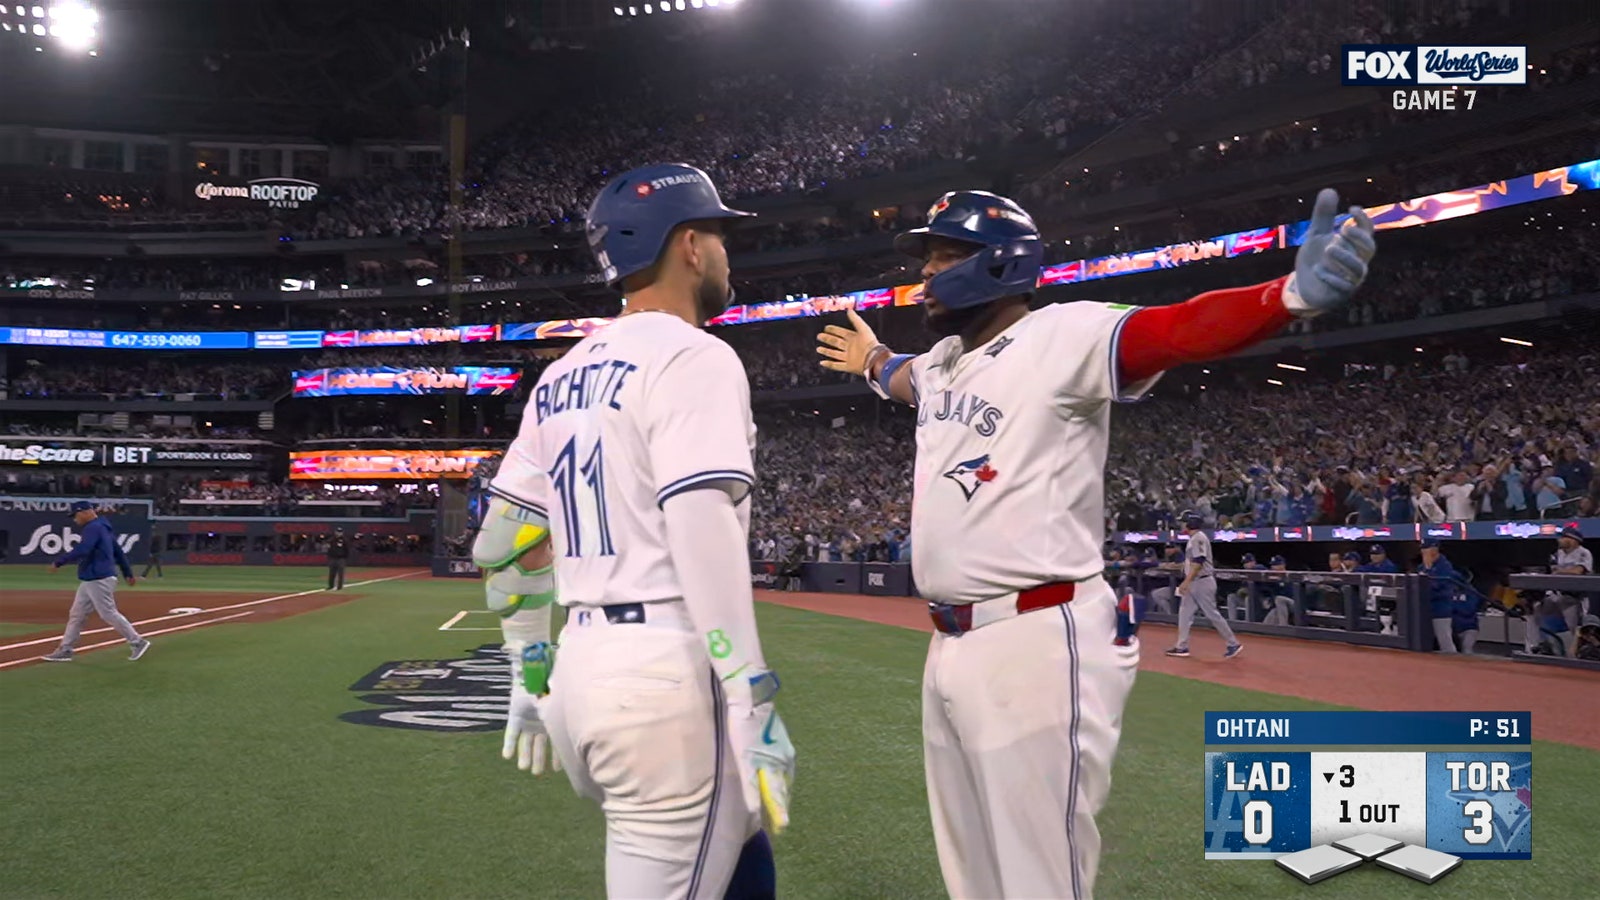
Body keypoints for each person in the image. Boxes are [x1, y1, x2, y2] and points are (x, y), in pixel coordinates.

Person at [816, 186, 1375, 897]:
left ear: (999, 263)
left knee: (1038, 876)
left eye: (945, 254)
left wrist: (1288, 295)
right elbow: (904, 379)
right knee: (976, 875)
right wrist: (872, 360)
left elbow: (1177, 329)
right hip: (951, 643)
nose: (927, 273)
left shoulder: (1062, 335)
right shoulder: (943, 362)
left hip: (1039, 636)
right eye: (927, 258)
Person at [476, 163, 792, 899]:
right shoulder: (695, 354)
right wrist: (753, 696)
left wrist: (527, 677)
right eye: (717, 234)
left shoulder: (560, 375)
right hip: (667, 680)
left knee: (740, 844)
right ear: (687, 245)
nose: (723, 252)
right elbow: (701, 530)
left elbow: (503, 541)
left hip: (581, 676)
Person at [42, 501, 150, 662]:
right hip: (91, 578)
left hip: (98, 577)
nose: (74, 520)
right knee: (77, 614)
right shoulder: (104, 528)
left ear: (85, 512)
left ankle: (137, 641)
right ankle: (66, 649)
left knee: (108, 613)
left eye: (75, 515)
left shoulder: (93, 527)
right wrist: (128, 573)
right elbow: (119, 553)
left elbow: (83, 549)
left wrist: (59, 561)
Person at [1166, 509, 1243, 659]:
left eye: (1184, 521)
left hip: (1202, 582)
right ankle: (1181, 647)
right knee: (1184, 614)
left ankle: (1233, 643)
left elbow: (1199, 562)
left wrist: (1186, 581)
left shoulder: (1198, 538)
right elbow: (1192, 562)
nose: (1182, 524)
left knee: (1212, 614)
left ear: (1190, 523)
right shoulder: (1193, 538)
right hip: (1195, 582)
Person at [1419, 539, 1462, 653]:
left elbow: (1436, 586)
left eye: (1426, 549)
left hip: (1440, 610)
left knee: (1445, 641)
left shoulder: (1445, 566)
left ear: (1434, 549)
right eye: (1422, 549)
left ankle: (1455, 665)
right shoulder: (1422, 566)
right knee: (1423, 643)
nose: (1424, 552)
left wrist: (1428, 570)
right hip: (1425, 610)